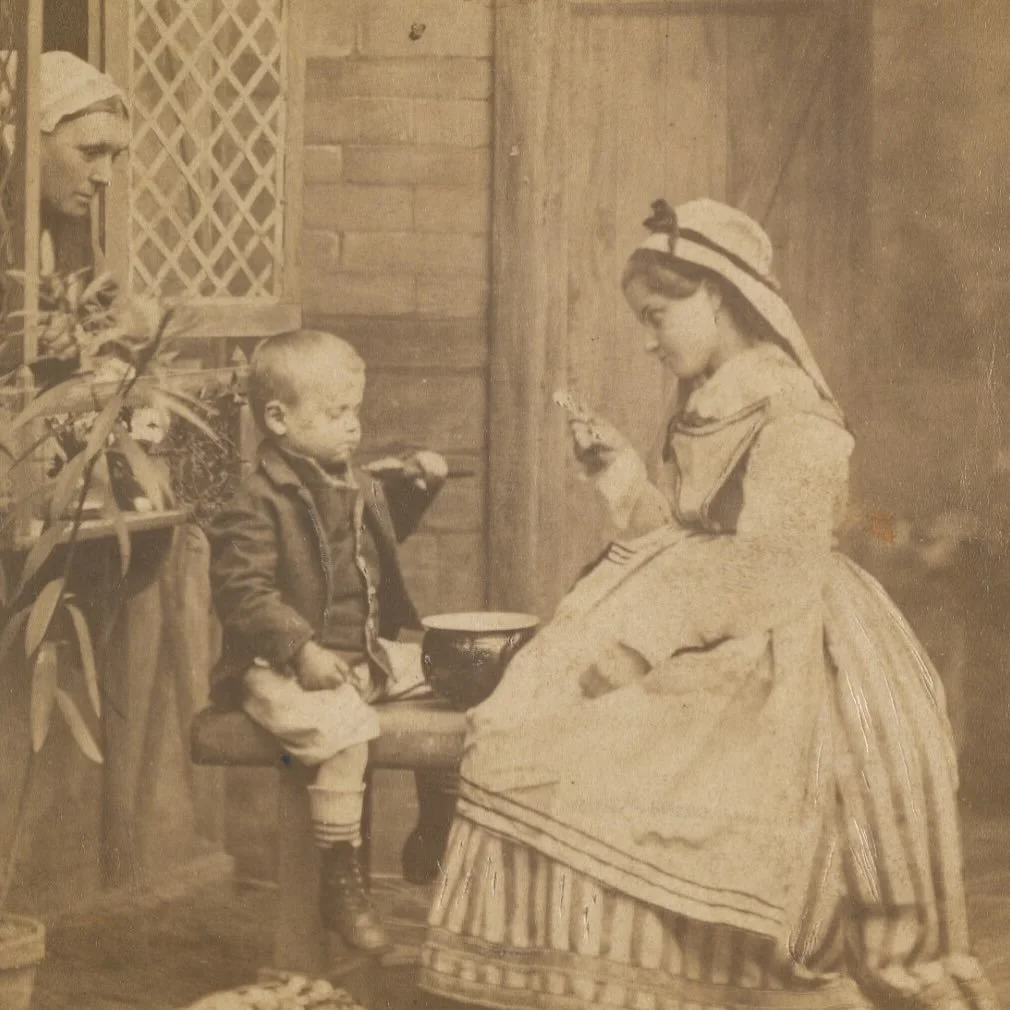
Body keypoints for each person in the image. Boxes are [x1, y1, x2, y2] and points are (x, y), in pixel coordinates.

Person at [418, 199, 996, 1010]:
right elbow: (689, 534)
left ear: (720, 296)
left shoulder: (792, 412)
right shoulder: (711, 395)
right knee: (530, 735)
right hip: (699, 605)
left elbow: (765, 566)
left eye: (659, 317)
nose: (650, 340)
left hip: (777, 637)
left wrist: (640, 645)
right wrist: (619, 472)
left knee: (615, 765)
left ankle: (705, 979)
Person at [208, 329, 448, 957]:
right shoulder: (255, 502)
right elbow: (242, 592)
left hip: (359, 654)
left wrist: (420, 486)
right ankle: (340, 878)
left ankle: (435, 822)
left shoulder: (353, 481)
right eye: (336, 414)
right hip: (279, 668)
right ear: (278, 419)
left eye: (355, 412)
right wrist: (300, 648)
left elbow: (375, 543)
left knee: (455, 672)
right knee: (346, 731)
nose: (354, 428)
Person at [1, 50, 131, 378]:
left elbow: (111, 328)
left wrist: (76, 339)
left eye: (113, 156)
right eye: (91, 152)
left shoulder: (73, 230)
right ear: (31, 140)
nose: (105, 176)